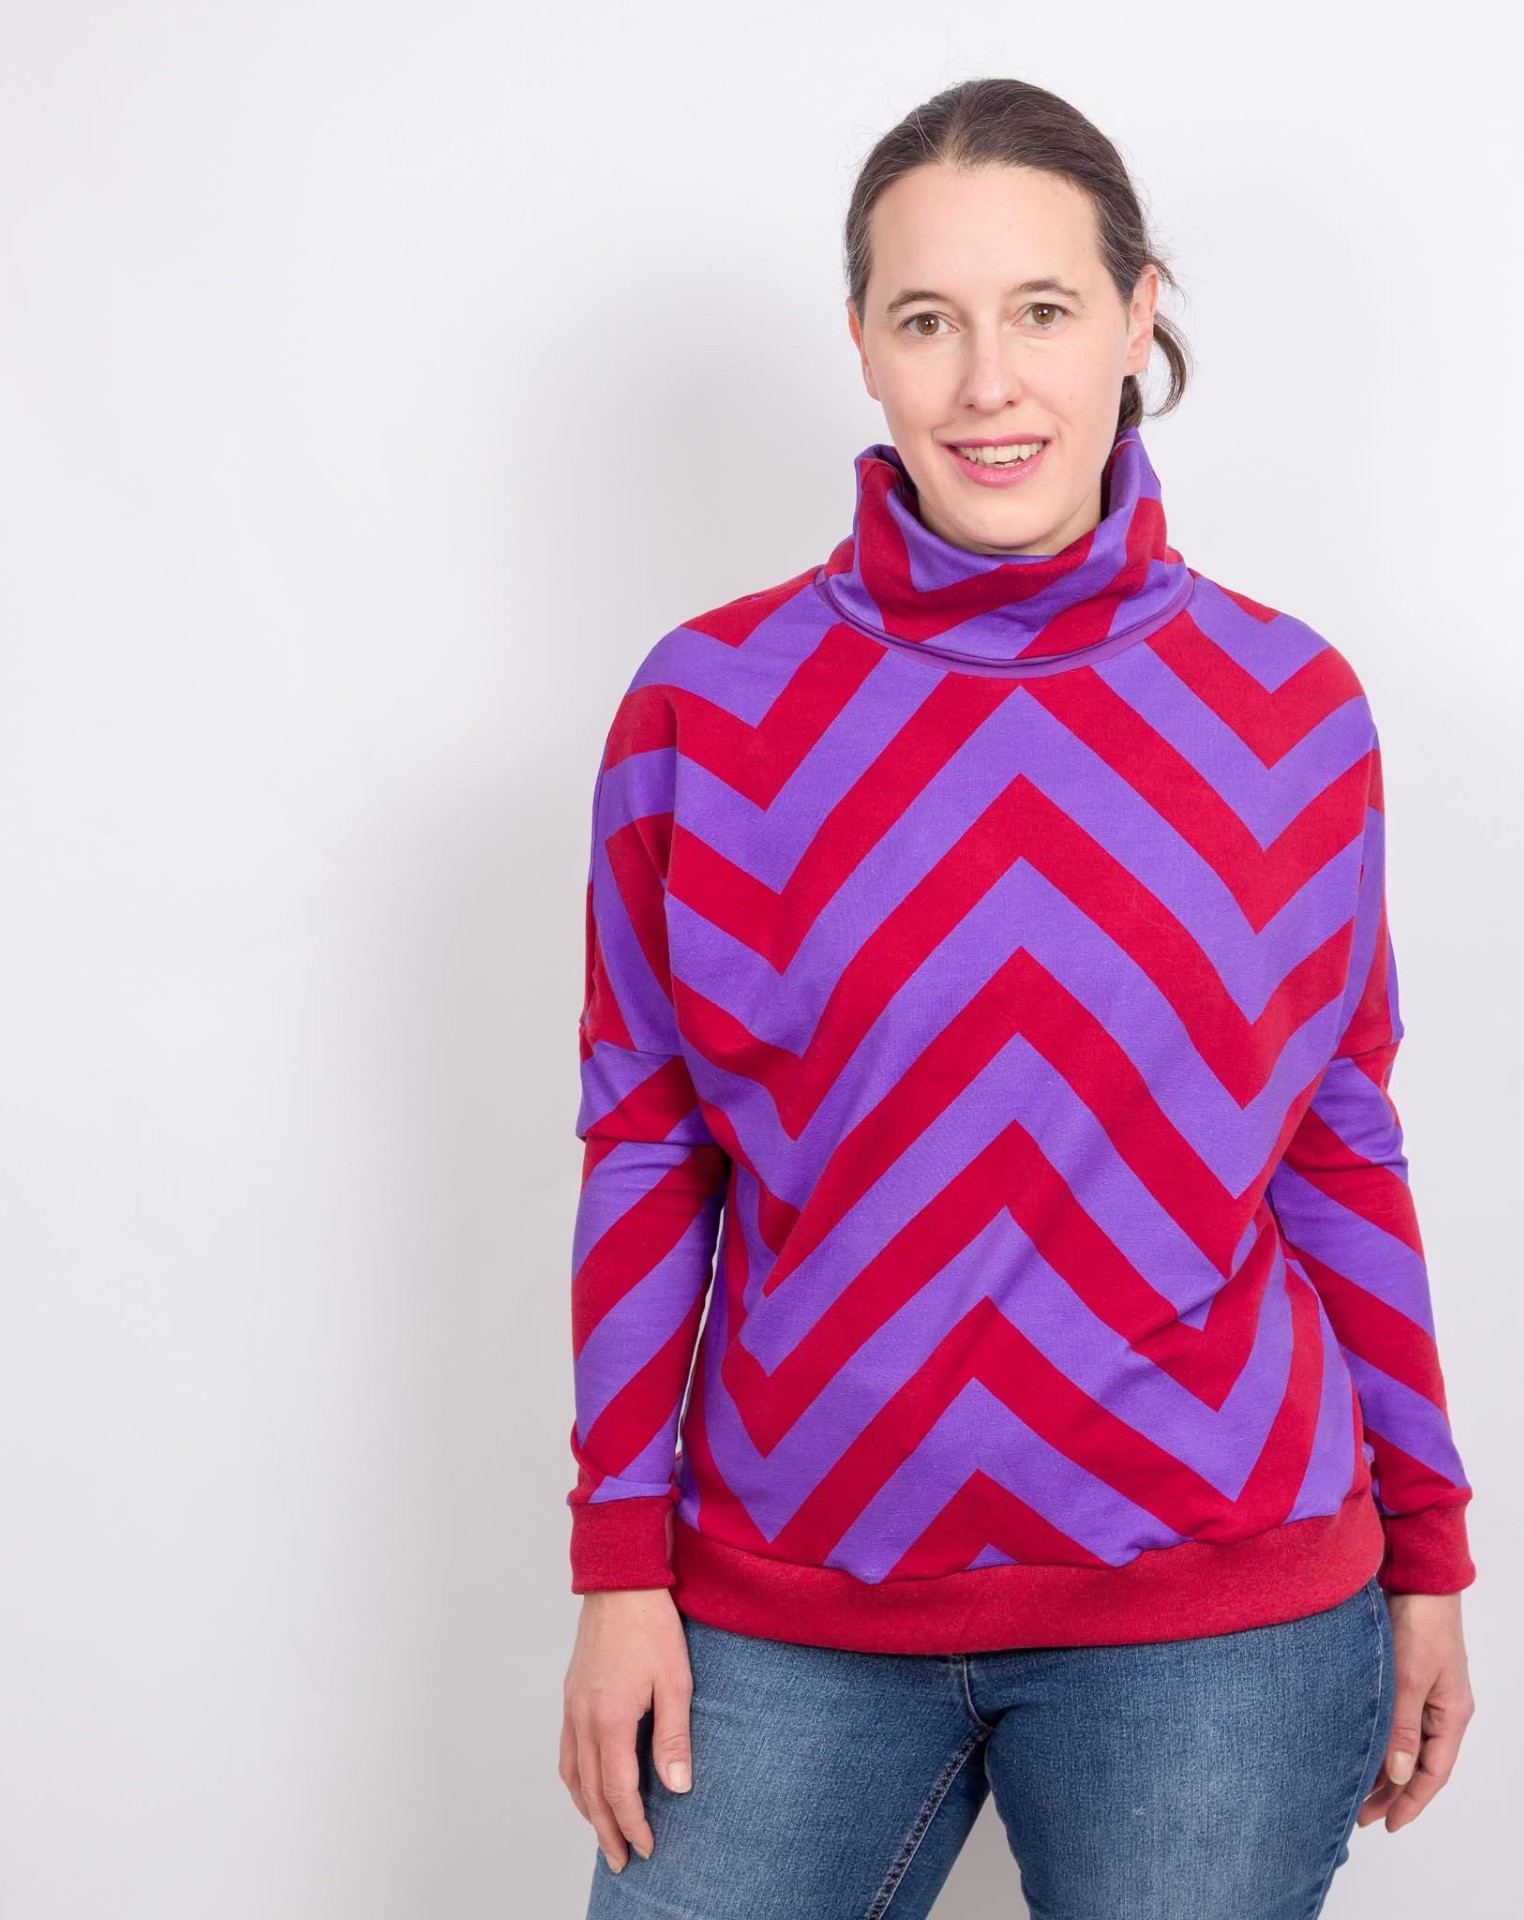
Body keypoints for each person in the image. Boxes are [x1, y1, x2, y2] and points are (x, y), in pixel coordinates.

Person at [558, 76, 1476, 1920]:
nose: (989, 383)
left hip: (1217, 1604)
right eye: (930, 321)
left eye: (1043, 310)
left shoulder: (1290, 714)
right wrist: (617, 1565)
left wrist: (1432, 1546)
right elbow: (649, 1146)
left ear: (1138, 314)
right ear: (863, 344)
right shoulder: (705, 714)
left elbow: (1335, 1140)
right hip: (789, 1593)